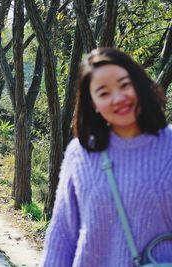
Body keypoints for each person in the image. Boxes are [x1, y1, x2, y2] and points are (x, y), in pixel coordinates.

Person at [41, 47, 172, 266]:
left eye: (124, 85)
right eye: (103, 93)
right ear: (93, 104)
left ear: (138, 84)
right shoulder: (80, 154)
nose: (118, 98)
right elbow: (62, 235)